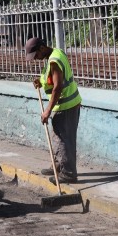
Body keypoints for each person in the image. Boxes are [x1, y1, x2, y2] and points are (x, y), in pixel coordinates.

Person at [24, 37, 82, 184]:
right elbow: (50, 79)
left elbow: (57, 87)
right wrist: (41, 81)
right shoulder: (55, 53)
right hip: (66, 104)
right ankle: (57, 166)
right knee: (58, 138)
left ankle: (68, 173)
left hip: (66, 105)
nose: (36, 59)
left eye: (35, 55)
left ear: (42, 48)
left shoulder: (54, 61)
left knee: (64, 140)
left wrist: (47, 111)